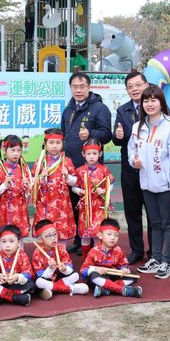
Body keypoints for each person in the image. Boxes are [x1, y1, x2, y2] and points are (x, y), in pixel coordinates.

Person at [127, 85, 170, 279]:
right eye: (146, 101)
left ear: (161, 102)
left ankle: (167, 262)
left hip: (167, 184)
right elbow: (131, 150)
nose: (149, 104)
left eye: (153, 100)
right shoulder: (138, 127)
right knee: (155, 223)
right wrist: (133, 161)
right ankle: (156, 258)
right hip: (147, 183)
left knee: (168, 223)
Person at [61, 72, 112, 253]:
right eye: (75, 87)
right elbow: (63, 135)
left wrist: (91, 133)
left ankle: (94, 242)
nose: (78, 90)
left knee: (92, 205)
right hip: (72, 167)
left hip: (92, 170)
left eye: (82, 86)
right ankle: (79, 238)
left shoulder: (100, 108)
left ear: (89, 87)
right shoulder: (68, 109)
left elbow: (107, 134)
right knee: (75, 204)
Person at [112, 71, 153, 264]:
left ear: (146, 85)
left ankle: (154, 252)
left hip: (152, 169)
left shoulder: (155, 105)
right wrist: (118, 136)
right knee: (132, 212)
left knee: (153, 212)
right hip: (130, 170)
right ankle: (137, 250)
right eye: (130, 87)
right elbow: (117, 138)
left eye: (138, 85)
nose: (135, 89)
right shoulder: (123, 110)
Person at [32, 128, 78, 247]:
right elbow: (32, 184)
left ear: (62, 144)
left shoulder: (67, 161)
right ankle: (45, 261)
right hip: (44, 203)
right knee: (45, 231)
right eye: (51, 143)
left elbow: (75, 182)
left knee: (61, 233)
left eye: (58, 143)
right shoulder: (40, 162)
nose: (54, 146)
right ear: (45, 143)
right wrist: (41, 177)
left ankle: (62, 259)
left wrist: (67, 176)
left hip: (61, 204)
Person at [74, 139, 115, 260]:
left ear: (100, 154)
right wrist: (80, 191)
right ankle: (87, 259)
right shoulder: (80, 170)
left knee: (98, 234)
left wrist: (105, 191)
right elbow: (74, 187)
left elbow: (111, 183)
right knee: (85, 235)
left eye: (94, 154)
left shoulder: (104, 170)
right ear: (83, 154)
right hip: (86, 208)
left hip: (100, 206)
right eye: (88, 154)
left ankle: (99, 258)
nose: (91, 157)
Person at [81, 218, 143, 298]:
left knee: (133, 275)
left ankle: (107, 290)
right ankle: (123, 290)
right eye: (109, 234)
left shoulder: (119, 250)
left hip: (113, 276)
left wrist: (124, 269)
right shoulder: (94, 251)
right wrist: (95, 269)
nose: (113, 238)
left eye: (116, 235)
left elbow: (124, 264)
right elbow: (83, 269)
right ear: (100, 235)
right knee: (93, 276)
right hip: (101, 276)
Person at [31, 219, 88, 298]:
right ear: (40, 239)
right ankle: (69, 288)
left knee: (75, 275)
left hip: (58, 277)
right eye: (48, 236)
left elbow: (70, 268)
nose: (53, 238)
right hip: (46, 278)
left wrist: (65, 269)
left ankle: (52, 288)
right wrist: (50, 268)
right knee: (38, 282)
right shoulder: (37, 253)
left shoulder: (60, 248)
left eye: (55, 234)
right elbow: (41, 275)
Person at [0, 136, 31, 236]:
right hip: (5, 209)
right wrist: (4, 185)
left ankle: (19, 252)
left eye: (18, 150)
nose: (16, 153)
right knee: (5, 237)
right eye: (12, 150)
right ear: (4, 149)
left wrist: (27, 187)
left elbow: (29, 192)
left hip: (20, 209)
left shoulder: (23, 168)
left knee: (19, 237)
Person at [0, 225, 34, 307]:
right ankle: (15, 298)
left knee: (32, 285)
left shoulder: (22, 255)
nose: (7, 245)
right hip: (2, 284)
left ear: (18, 243)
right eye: (4, 242)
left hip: (16, 285)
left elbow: (28, 273)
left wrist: (17, 277)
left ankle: (0, 297)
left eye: (11, 241)